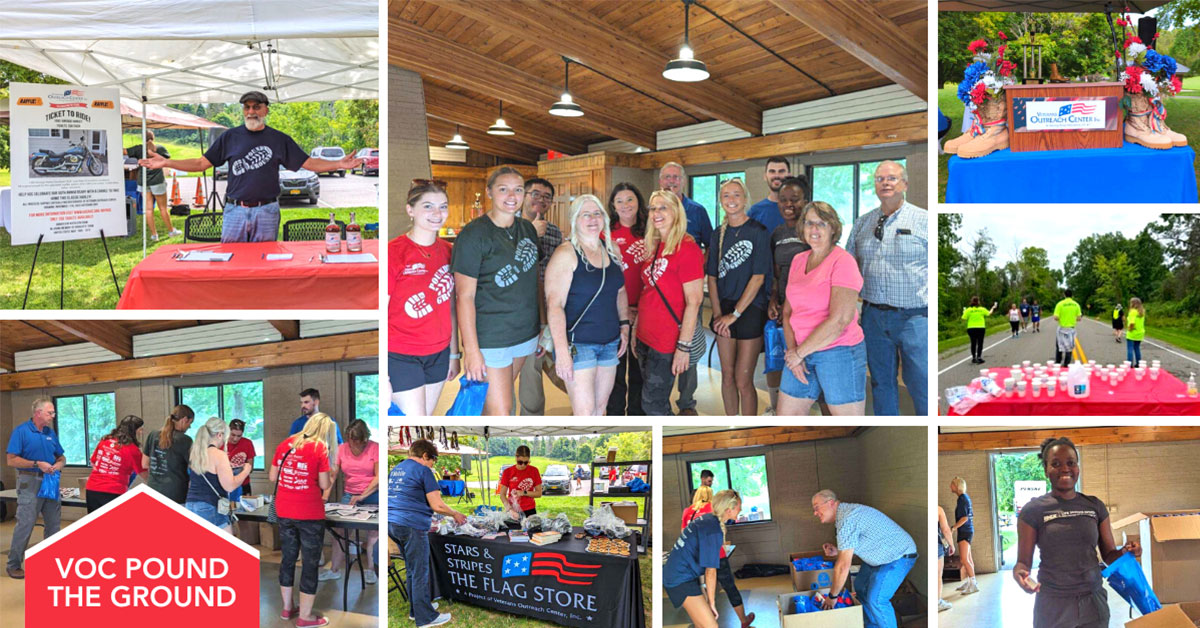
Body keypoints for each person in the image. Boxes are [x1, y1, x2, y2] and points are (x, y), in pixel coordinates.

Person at [137, 91, 360, 243]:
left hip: (267, 211)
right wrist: (166, 162)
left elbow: (308, 163)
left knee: (264, 261)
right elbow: (201, 163)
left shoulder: (279, 139)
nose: (251, 111)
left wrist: (338, 164)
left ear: (266, 111)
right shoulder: (230, 137)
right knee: (232, 260)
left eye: (256, 107)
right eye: (247, 107)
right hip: (235, 211)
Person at [1015, 437, 1140, 628]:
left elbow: (1108, 555)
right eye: (1056, 464)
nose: (1065, 468)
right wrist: (1020, 573)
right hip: (1053, 603)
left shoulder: (1094, 506)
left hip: (1093, 601)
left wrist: (1125, 552)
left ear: (1078, 468)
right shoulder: (1033, 510)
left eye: (1071, 463)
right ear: (1046, 470)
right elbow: (1023, 562)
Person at [453, 166, 540, 415]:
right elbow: (464, 296)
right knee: (503, 412)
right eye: (503, 189)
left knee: (491, 406)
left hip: (525, 332)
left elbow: (534, 280)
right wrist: (471, 350)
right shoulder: (473, 235)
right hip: (492, 336)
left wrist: (542, 325)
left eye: (518, 190)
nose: (511, 196)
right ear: (489, 192)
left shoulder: (528, 229)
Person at [845, 161, 928, 416]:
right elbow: (847, 266)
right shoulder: (862, 224)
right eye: (880, 179)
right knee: (881, 382)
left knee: (920, 381)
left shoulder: (924, 220)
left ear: (904, 184)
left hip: (914, 317)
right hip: (873, 317)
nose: (885, 183)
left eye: (891, 178)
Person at [545, 194, 630, 415]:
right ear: (575, 220)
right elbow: (554, 305)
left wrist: (624, 325)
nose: (592, 219)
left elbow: (620, 291)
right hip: (579, 344)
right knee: (584, 412)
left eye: (597, 213)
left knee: (601, 409)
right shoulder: (566, 253)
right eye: (586, 214)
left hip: (610, 342)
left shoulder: (612, 249)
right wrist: (562, 351)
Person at [779, 202, 867, 416]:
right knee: (786, 418)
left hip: (838, 351)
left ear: (833, 228)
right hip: (800, 351)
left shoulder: (843, 261)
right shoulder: (798, 260)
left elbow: (840, 320)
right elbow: (788, 313)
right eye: (809, 223)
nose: (814, 230)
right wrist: (793, 353)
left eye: (822, 224)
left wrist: (799, 353)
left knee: (847, 421)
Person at [389, 179, 459, 415]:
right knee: (413, 422)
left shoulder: (449, 252)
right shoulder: (394, 252)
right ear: (410, 210)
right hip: (401, 354)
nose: (437, 214)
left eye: (443, 206)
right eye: (428, 206)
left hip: (438, 352)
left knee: (424, 421)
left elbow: (451, 306)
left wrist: (454, 353)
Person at [633, 190, 704, 416]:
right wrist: (636, 329)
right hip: (645, 336)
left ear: (676, 212)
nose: (656, 213)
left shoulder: (687, 248)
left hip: (667, 341)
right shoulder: (654, 245)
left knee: (653, 404)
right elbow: (648, 291)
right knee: (652, 399)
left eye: (663, 207)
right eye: (653, 208)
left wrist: (683, 348)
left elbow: (694, 302)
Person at [706, 178, 771, 416]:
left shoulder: (758, 232)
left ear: (745, 199)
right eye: (726, 196)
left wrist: (734, 315)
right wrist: (717, 316)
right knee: (727, 377)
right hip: (723, 312)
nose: (731, 200)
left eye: (736, 195)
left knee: (744, 381)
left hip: (749, 310)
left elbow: (758, 278)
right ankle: (730, 420)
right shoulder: (717, 234)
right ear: (720, 201)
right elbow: (712, 278)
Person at [389, 439, 466, 628]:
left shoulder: (397, 469)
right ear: (425, 456)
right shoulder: (423, 470)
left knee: (411, 569)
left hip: (393, 523)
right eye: (433, 460)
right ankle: (426, 618)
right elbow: (437, 504)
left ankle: (417, 610)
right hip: (411, 525)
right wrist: (455, 513)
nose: (434, 464)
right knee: (420, 571)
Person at [813, 489, 918, 627]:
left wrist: (832, 596)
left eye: (816, 507)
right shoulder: (844, 516)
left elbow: (843, 566)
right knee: (861, 587)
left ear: (830, 503)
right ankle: (873, 625)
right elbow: (857, 546)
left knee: (877, 600)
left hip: (898, 555)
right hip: (881, 556)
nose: (815, 513)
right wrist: (838, 552)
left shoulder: (847, 519)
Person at [270, 413, 336, 627]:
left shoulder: (286, 444)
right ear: (325, 431)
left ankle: (287, 608)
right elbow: (325, 485)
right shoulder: (320, 448)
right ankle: (305, 617)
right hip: (309, 513)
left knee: (288, 559)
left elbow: (273, 477)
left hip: (284, 510)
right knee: (309, 563)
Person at [658, 162, 712, 416]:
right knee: (661, 343)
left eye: (676, 177)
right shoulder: (654, 210)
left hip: (689, 291)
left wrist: (697, 273)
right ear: (660, 181)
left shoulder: (697, 211)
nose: (671, 181)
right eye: (667, 177)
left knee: (688, 342)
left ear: (683, 181)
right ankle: (661, 398)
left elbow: (710, 246)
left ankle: (687, 400)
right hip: (661, 293)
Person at [765, 176, 822, 415]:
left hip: (809, 311)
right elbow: (776, 273)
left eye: (795, 200)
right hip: (783, 309)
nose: (789, 205)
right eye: (783, 200)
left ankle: (819, 406)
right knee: (782, 357)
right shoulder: (777, 233)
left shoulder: (815, 232)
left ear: (806, 201)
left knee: (812, 357)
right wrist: (773, 299)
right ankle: (780, 405)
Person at [5, 398, 66, 579]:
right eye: (50, 413)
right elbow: (11, 460)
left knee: (54, 524)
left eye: (53, 412)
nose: (53, 416)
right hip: (29, 481)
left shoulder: (50, 433)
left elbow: (61, 457)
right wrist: (36, 463)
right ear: (38, 413)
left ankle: (50, 561)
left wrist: (59, 465)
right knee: (26, 523)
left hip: (51, 481)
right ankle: (14, 564)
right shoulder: (21, 432)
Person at [519, 177, 565, 416]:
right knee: (528, 366)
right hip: (515, 311)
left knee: (537, 364)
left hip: (548, 308)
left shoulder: (555, 232)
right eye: (535, 194)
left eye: (547, 197)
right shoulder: (508, 227)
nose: (541, 200)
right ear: (523, 196)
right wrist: (530, 234)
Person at [665, 489, 742, 628]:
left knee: (703, 625)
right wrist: (711, 603)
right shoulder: (713, 529)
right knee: (711, 626)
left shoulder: (708, 520)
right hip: (679, 578)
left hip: (681, 574)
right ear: (729, 509)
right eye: (738, 507)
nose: (740, 509)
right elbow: (710, 571)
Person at [681, 486, 755, 628]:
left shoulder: (688, 511)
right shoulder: (712, 508)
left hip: (694, 557)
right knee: (729, 586)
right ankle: (744, 620)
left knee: (700, 590)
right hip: (716, 554)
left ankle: (703, 623)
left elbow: (684, 534)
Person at [606, 182, 649, 416]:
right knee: (615, 369)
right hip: (614, 313)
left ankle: (636, 415)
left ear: (638, 202)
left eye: (630, 199)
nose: (625, 205)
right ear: (613, 205)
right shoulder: (605, 233)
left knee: (639, 372)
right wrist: (624, 312)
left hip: (645, 313)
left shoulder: (651, 231)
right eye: (619, 200)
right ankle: (613, 414)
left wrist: (639, 310)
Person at [320, 419, 379, 584]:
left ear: (365, 439)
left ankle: (370, 570)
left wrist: (362, 495)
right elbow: (332, 475)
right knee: (340, 532)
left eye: (358, 443)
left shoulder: (375, 448)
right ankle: (334, 570)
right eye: (352, 442)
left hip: (372, 494)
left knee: (373, 534)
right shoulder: (341, 449)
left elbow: (378, 477)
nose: (355, 447)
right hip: (350, 494)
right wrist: (324, 497)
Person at [184, 417, 253, 533]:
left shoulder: (196, 453)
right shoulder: (218, 454)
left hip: (191, 504)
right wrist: (246, 471)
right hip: (210, 505)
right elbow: (230, 486)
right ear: (220, 435)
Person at [124, 130, 180, 241]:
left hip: (143, 182)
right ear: (153, 138)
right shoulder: (160, 148)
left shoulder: (138, 148)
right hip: (157, 181)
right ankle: (171, 231)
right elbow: (167, 158)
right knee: (163, 208)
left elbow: (124, 151)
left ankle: (154, 235)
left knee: (148, 209)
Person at [85, 415, 147, 512]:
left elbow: (94, 462)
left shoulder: (104, 441)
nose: (141, 432)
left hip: (93, 488)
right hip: (113, 490)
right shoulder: (132, 449)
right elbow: (144, 473)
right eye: (140, 429)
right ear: (133, 430)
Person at [142, 404, 195, 504]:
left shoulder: (153, 435)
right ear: (184, 419)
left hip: (153, 490)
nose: (190, 427)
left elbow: (144, 464)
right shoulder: (185, 440)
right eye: (190, 423)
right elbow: (194, 467)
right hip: (175, 493)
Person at [747, 156, 790, 233]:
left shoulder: (798, 210)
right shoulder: (754, 212)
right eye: (772, 171)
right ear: (765, 176)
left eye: (781, 171)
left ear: (789, 176)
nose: (776, 175)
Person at [950, 477, 978, 595]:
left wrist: (953, 528)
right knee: (968, 558)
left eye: (952, 484)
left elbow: (965, 518)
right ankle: (970, 582)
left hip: (965, 531)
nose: (950, 487)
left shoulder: (962, 499)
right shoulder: (964, 498)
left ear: (956, 486)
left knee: (964, 559)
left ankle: (973, 584)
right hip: (967, 530)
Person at [498, 445, 543, 517]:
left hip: (530, 510)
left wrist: (523, 492)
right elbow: (502, 495)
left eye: (526, 462)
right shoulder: (508, 472)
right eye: (520, 462)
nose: (522, 465)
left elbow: (539, 493)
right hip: (513, 510)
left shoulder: (534, 471)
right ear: (516, 458)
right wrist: (510, 509)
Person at [224, 418, 256, 496]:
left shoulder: (247, 443)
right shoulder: (221, 443)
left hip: (243, 483)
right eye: (233, 435)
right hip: (225, 483)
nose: (235, 439)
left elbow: (250, 468)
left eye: (239, 436)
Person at [962, 297, 999, 364]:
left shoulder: (968, 310)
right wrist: (993, 307)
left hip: (971, 328)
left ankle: (973, 358)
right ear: (978, 302)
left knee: (973, 343)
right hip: (980, 328)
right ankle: (979, 357)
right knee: (980, 343)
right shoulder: (982, 309)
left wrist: (964, 311)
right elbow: (989, 313)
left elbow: (964, 318)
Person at [1053, 289, 1083, 366]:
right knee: (1069, 347)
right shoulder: (1076, 305)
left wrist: (1062, 318)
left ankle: (1058, 363)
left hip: (1061, 328)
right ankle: (1066, 365)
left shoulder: (1060, 304)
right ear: (1072, 295)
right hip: (1071, 329)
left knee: (1059, 345)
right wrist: (1072, 318)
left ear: (1064, 295)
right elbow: (1079, 318)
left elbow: (1055, 317)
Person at [937, 506, 956, 612]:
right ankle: (937, 602)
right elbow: (945, 530)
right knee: (937, 576)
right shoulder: (938, 509)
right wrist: (951, 545)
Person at [1126, 297, 1146, 364]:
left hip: (1133, 332)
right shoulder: (1141, 312)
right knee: (1137, 348)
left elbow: (1132, 323)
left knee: (1130, 349)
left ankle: (1130, 364)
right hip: (1140, 332)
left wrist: (1129, 329)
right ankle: (1138, 363)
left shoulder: (1132, 312)